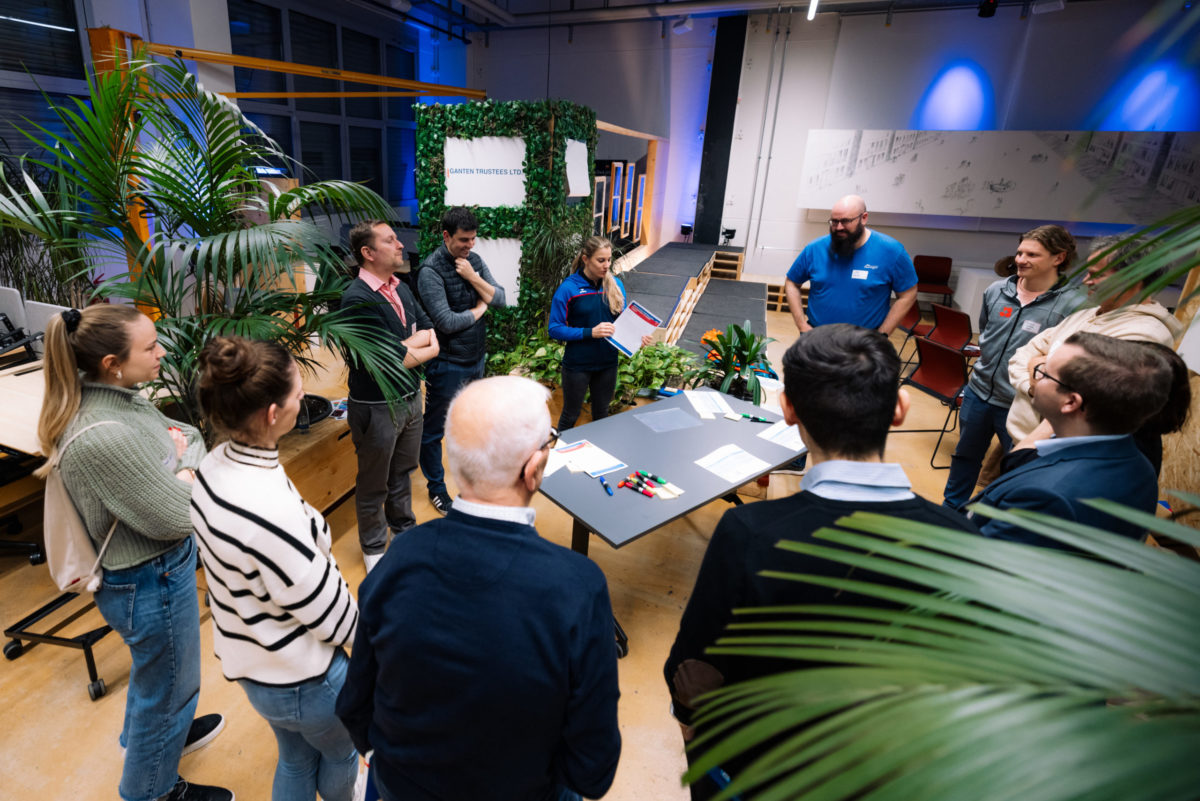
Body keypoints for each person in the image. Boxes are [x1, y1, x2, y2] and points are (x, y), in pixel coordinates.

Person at [664, 324, 979, 799]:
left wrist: (693, 729)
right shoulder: (964, 539)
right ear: (900, 408)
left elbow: (696, 664)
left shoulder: (749, 533)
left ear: (788, 409)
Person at [336, 375, 621, 801]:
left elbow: (355, 705)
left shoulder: (400, 556)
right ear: (533, 470)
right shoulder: (578, 586)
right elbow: (592, 770)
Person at [35, 305, 229, 801]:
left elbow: (188, 436)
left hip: (157, 570)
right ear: (112, 364)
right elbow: (180, 515)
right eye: (150, 347)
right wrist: (186, 474)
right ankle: (151, 789)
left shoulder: (123, 399)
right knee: (170, 688)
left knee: (160, 679)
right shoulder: (105, 434)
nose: (162, 352)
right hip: (148, 579)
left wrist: (182, 471)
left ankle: (160, 734)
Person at [192, 336, 360, 801]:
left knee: (295, 758)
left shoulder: (214, 467)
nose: (303, 400)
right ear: (272, 413)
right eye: (298, 394)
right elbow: (329, 613)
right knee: (342, 754)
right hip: (306, 677)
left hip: (256, 665)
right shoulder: (268, 509)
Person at [971, 332, 1172, 547]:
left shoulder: (1046, 497)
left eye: (1044, 374)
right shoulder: (1141, 467)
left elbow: (978, 555)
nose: (1035, 378)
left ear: (1070, 402)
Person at [940, 225, 1082, 509]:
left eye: (1032, 254)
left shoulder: (1073, 305)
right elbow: (986, 332)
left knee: (1017, 470)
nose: (1020, 260)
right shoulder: (996, 291)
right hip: (979, 393)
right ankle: (950, 510)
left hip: (1023, 403)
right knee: (965, 457)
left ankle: (992, 520)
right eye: (1019, 253)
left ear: (1058, 258)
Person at [1006, 235, 1183, 444]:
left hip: (1052, 448)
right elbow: (1022, 354)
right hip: (1024, 438)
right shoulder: (1085, 315)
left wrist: (1037, 366)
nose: (1085, 280)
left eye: (1096, 274)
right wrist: (1035, 382)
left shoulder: (1145, 334)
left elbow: (1079, 399)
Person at [342, 220, 440, 572]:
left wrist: (407, 347)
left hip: (411, 398)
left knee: (403, 473)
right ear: (368, 252)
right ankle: (374, 550)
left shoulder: (402, 287)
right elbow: (386, 361)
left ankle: (404, 532)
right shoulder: (356, 298)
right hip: (377, 406)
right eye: (390, 240)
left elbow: (429, 328)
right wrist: (421, 348)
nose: (400, 245)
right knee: (374, 483)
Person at [416, 206, 506, 514]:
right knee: (434, 431)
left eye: (473, 239)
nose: (470, 245)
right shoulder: (430, 272)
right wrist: (481, 308)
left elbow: (501, 298)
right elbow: (447, 322)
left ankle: (473, 483)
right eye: (463, 240)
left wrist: (472, 277)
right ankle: (437, 489)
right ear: (446, 236)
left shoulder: (474, 262)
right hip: (448, 364)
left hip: (476, 359)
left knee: (471, 424)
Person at [547, 235, 653, 430]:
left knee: (602, 416)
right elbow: (554, 328)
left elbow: (622, 324)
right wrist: (590, 332)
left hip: (607, 364)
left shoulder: (616, 286)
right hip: (577, 365)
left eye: (609, 260)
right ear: (586, 259)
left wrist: (638, 336)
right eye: (601, 260)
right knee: (570, 415)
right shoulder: (568, 289)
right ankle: (559, 449)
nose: (606, 265)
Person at [783, 194, 918, 334]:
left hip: (864, 340)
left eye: (845, 221)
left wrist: (883, 334)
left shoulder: (892, 251)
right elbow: (792, 282)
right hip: (817, 336)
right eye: (834, 222)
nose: (839, 227)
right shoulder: (815, 249)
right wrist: (802, 325)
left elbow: (908, 294)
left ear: (864, 218)